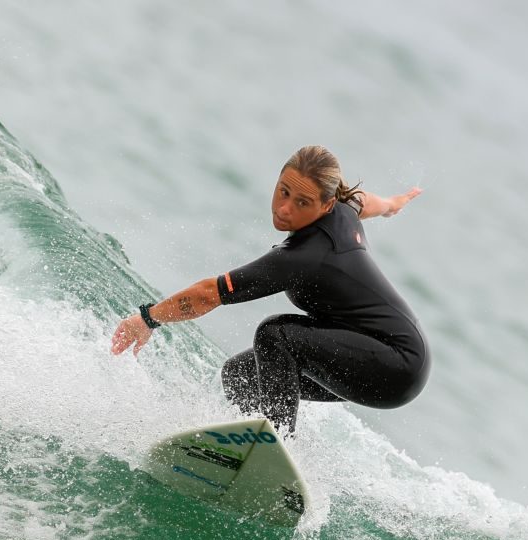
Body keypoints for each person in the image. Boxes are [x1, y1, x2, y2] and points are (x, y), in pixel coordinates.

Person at [111, 145, 430, 435]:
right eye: (284, 191)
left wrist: (147, 319)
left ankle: (274, 442)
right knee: (241, 374)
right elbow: (362, 201)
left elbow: (210, 293)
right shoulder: (342, 209)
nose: (285, 209)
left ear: (326, 204)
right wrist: (391, 204)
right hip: (389, 359)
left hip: (394, 365)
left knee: (275, 334)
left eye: (302, 202)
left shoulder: (304, 256)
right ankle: (241, 452)